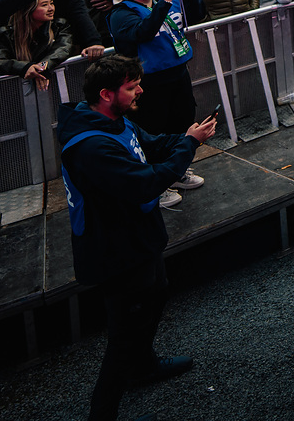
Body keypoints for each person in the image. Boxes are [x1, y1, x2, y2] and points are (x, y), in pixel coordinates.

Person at [57, 55, 216, 421]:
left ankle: (144, 366)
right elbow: (146, 182)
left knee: (157, 292)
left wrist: (185, 137)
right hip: (113, 250)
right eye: (132, 87)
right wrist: (189, 146)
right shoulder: (92, 146)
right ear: (106, 94)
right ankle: (103, 412)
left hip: (137, 238)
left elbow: (150, 144)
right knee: (123, 335)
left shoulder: (113, 119)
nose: (140, 90)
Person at [106, 0, 205, 206]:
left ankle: (176, 171)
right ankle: (154, 185)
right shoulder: (121, 14)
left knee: (181, 122)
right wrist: (165, 1)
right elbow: (144, 33)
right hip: (147, 82)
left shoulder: (163, 1)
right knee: (152, 132)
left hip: (178, 74)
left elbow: (196, 15)